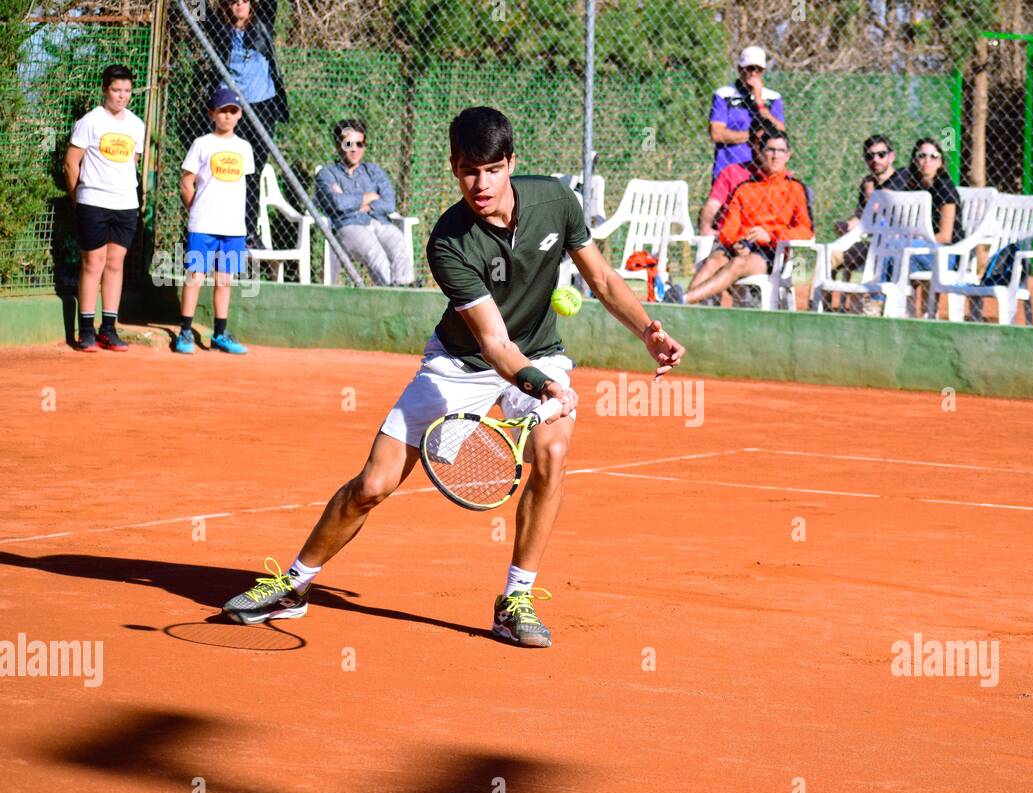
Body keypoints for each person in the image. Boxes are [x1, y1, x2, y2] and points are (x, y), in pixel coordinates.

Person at [220, 107, 686, 649]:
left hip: (541, 352)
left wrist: (649, 331)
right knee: (372, 485)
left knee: (552, 454)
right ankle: (294, 584)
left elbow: (603, 279)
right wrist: (543, 386)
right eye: (468, 170)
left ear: (511, 163)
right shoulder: (448, 240)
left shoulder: (557, 202)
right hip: (461, 362)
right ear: (453, 167)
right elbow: (493, 343)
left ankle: (516, 600)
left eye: (491, 169)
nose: (480, 184)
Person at [662, 131, 812, 307]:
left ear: (788, 155)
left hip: (771, 253)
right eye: (770, 150)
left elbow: (805, 231)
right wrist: (738, 242)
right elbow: (727, 230)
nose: (775, 156)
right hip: (741, 247)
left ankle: (682, 300)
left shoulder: (795, 188)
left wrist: (770, 236)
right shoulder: (744, 188)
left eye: (781, 151)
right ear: (761, 152)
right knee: (713, 261)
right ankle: (683, 307)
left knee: (738, 264)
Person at [63, 64, 146, 352]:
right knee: (93, 263)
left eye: (126, 91)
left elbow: (132, 163)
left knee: (115, 263)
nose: (122, 96)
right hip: (93, 202)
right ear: (105, 90)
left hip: (125, 205)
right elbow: (71, 163)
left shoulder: (136, 124)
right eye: (116, 90)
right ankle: (85, 329)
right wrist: (79, 199)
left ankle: (108, 328)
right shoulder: (90, 121)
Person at [201, 0, 290, 245]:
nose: (239, 5)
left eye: (244, 1)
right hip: (230, 107)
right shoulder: (219, 29)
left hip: (262, 106)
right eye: (233, 2)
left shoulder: (262, 24)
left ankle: (249, 232)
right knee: (223, 169)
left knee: (252, 170)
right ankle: (217, 230)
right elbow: (200, 10)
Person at [176, 87, 256, 355]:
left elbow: (243, 185)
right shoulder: (202, 144)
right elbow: (187, 182)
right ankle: (185, 331)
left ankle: (220, 334)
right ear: (212, 113)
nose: (228, 116)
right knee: (196, 277)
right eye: (222, 111)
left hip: (233, 228)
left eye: (233, 111)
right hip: (204, 226)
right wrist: (197, 209)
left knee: (224, 281)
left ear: (240, 115)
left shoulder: (244, 148)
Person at [315, 119, 414, 286]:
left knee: (398, 241)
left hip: (379, 222)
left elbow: (389, 204)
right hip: (349, 226)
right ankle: (388, 294)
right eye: (349, 144)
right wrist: (369, 196)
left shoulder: (374, 171)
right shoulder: (327, 174)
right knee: (375, 252)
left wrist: (356, 203)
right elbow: (338, 204)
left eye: (359, 144)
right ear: (338, 145)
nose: (354, 149)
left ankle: (404, 288)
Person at [825, 134, 912, 311]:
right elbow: (861, 216)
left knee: (879, 253)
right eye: (870, 156)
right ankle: (823, 307)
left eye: (881, 154)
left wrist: (873, 193)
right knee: (830, 254)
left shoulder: (904, 177)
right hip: (871, 244)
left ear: (891, 156)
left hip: (895, 246)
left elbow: (880, 203)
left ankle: (875, 304)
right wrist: (847, 225)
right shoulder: (867, 183)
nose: (876, 160)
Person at [902, 138, 964, 318]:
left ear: (941, 162)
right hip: (921, 250)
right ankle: (910, 312)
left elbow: (945, 236)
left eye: (933, 156)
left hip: (947, 254)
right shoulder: (913, 187)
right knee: (895, 251)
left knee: (903, 251)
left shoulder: (944, 187)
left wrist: (916, 243)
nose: (927, 160)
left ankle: (880, 301)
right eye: (922, 156)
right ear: (915, 160)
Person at [709, 45, 785, 181]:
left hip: (761, 172)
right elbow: (717, 134)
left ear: (763, 71)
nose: (754, 74)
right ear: (740, 69)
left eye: (758, 70)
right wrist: (754, 136)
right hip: (727, 168)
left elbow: (779, 132)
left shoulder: (773, 98)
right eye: (750, 68)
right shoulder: (724, 95)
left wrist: (759, 101)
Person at [697, 123, 772, 237]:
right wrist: (706, 228)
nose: (762, 148)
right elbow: (712, 205)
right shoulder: (731, 172)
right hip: (729, 236)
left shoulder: (782, 178)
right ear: (750, 143)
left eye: (767, 144)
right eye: (759, 142)